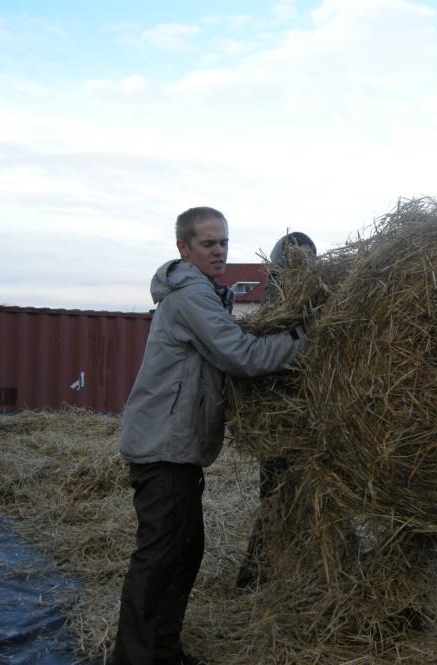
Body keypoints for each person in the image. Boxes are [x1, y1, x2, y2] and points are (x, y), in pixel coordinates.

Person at [112, 207, 307, 665]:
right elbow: (241, 355)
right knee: (160, 559)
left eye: (223, 242)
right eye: (208, 243)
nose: (219, 250)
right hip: (163, 447)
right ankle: (136, 658)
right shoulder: (191, 298)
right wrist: (306, 338)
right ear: (184, 247)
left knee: (184, 553)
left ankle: (163, 651)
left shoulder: (205, 295)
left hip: (176, 447)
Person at [236, 231, 317, 589]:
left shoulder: (313, 299)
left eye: (309, 257)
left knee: (307, 500)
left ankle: (300, 573)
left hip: (309, 419)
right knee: (277, 499)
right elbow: (264, 358)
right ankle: (256, 577)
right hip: (279, 424)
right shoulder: (277, 307)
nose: (304, 263)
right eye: (297, 257)